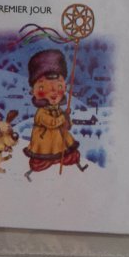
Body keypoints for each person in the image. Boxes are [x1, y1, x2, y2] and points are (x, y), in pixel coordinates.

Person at [23, 49, 87, 181]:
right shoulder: (41, 112)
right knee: (41, 162)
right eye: (43, 88)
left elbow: (67, 125)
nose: (53, 92)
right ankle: (29, 173)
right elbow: (52, 123)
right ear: (34, 91)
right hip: (45, 143)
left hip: (59, 140)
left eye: (59, 87)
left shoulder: (58, 109)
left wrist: (67, 119)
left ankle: (79, 166)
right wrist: (63, 117)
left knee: (70, 154)